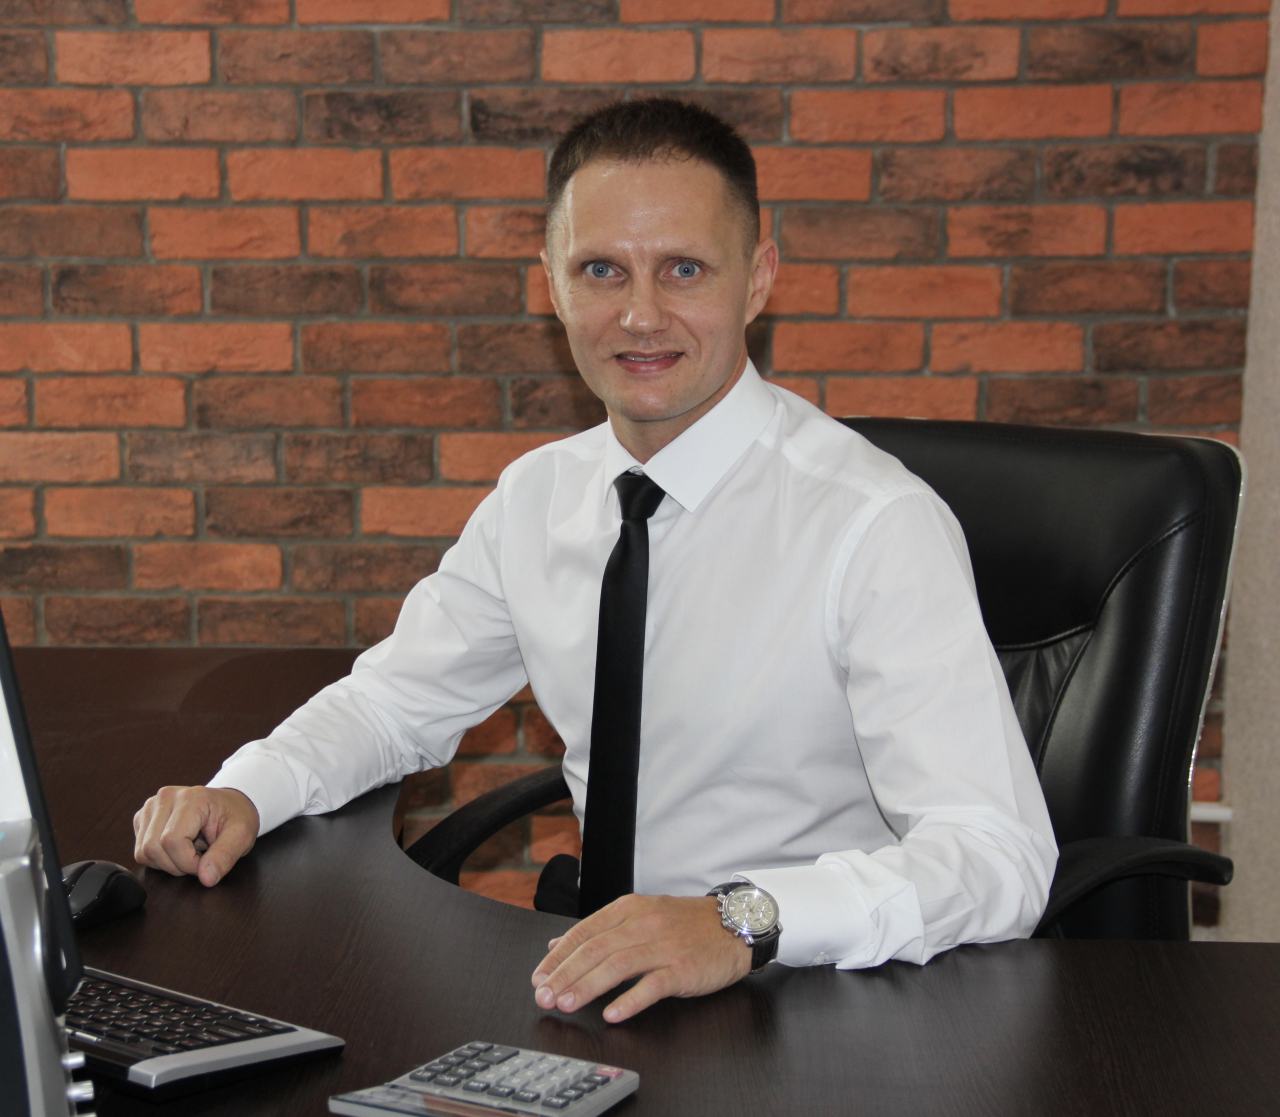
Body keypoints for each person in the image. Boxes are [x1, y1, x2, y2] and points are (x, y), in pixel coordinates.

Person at [134, 98, 1057, 1025]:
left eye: (684, 269)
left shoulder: (873, 523)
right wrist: (247, 789)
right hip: (598, 988)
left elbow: (999, 855)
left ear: (757, 281)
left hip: (810, 997)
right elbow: (393, 703)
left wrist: (740, 920)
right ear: (552, 286)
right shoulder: (538, 498)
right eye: (601, 270)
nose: (641, 315)